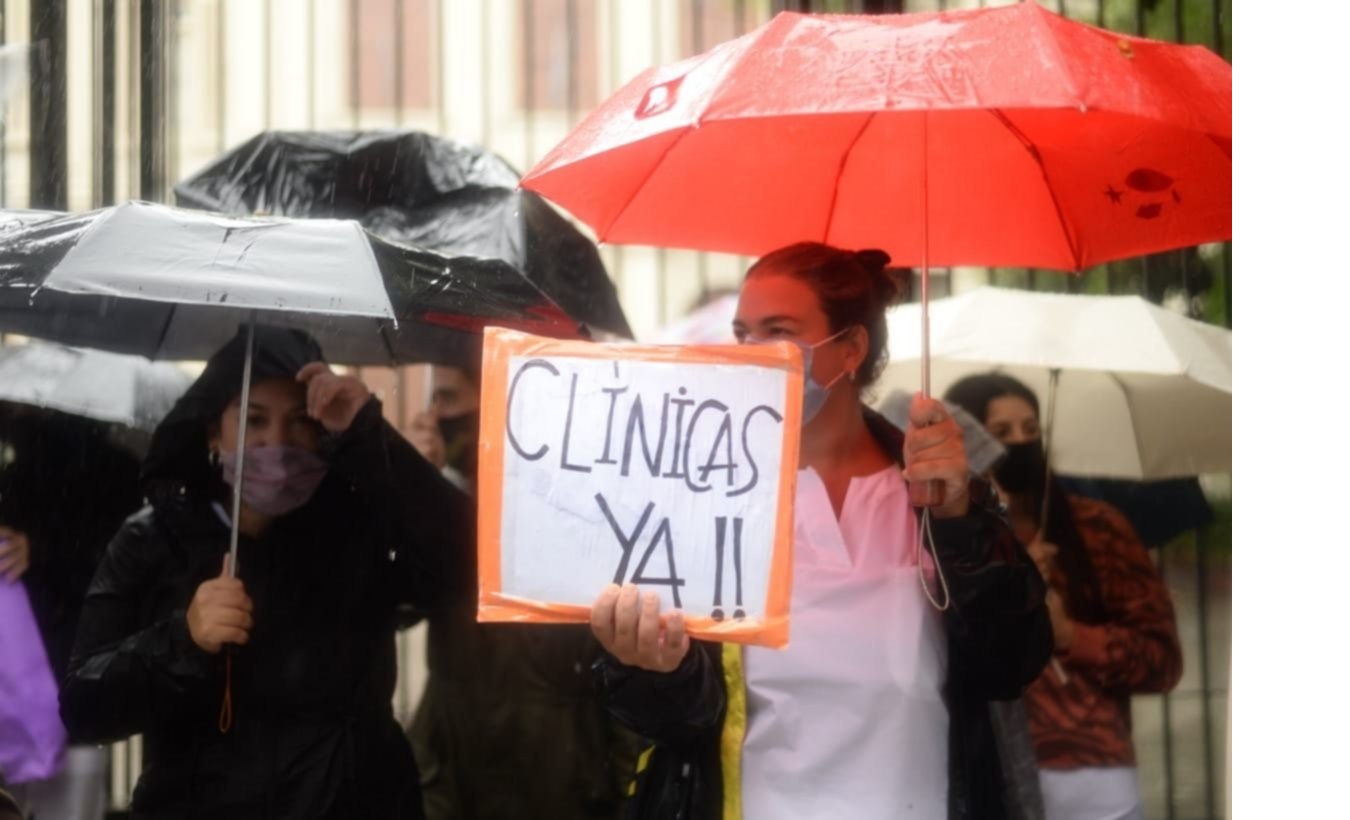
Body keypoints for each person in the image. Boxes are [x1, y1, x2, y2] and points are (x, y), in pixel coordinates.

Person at [587, 243, 1053, 820]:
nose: (753, 354)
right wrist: (655, 667)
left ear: (851, 347)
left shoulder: (936, 494)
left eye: (778, 331)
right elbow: (678, 720)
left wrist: (959, 520)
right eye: (743, 334)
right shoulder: (703, 496)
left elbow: (1011, 663)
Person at [59, 325, 473, 820]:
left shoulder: (359, 527)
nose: (276, 442)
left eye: (300, 421)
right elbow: (83, 708)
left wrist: (369, 434)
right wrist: (184, 640)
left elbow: (466, 563)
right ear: (214, 431)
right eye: (253, 420)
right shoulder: (155, 539)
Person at [401, 363, 641, 820]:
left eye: (448, 398)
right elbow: (400, 603)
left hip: (560, 789)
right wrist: (417, 489)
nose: (434, 415)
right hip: (458, 781)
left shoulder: (587, 508)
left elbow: (624, 683)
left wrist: (624, 795)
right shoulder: (444, 502)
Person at [944, 372, 1184, 820]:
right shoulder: (945, 538)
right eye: (1000, 432)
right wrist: (1004, 582)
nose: (1020, 442)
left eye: (1030, 428)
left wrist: (1072, 635)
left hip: (1090, 771)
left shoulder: (1098, 529)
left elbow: (1162, 661)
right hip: (984, 770)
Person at [0, 405, 142, 819]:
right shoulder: (18, 472)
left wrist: (43, 549)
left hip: (63, 678)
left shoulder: (112, 475)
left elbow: (118, 565)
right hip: (28, 683)